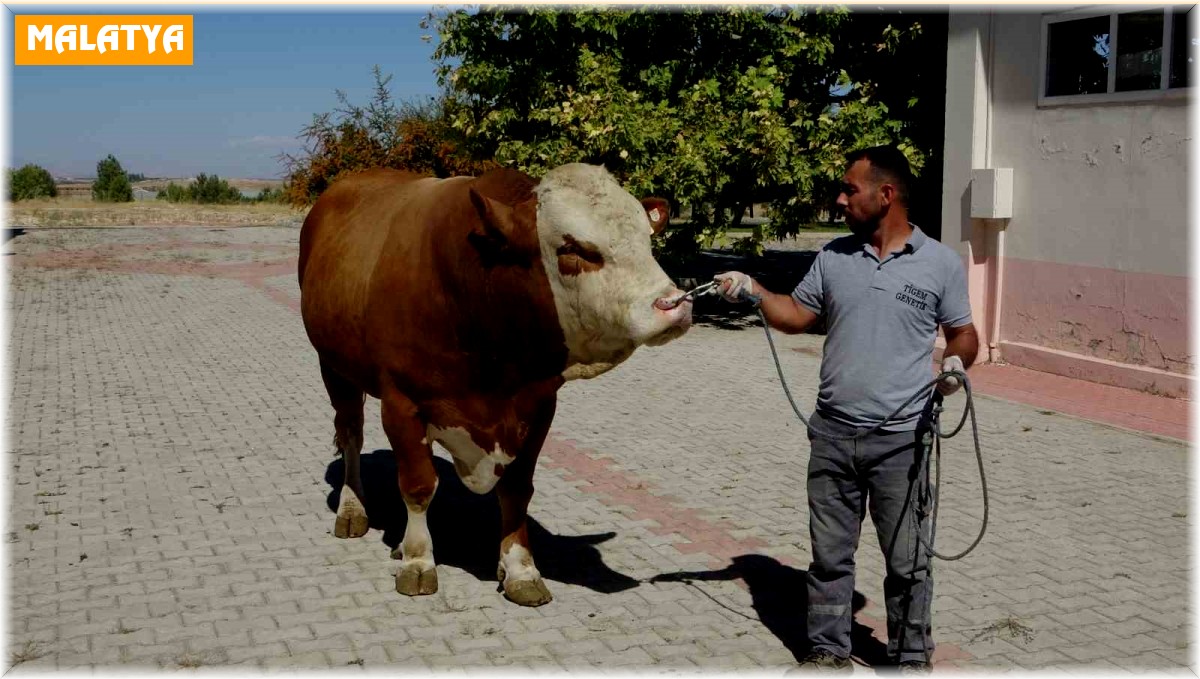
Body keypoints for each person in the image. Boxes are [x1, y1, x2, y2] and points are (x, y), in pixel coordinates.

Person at [714, 145, 979, 674]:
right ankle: (827, 653)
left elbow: (964, 334)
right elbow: (796, 315)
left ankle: (908, 659)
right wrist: (752, 291)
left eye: (848, 189)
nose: (839, 199)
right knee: (830, 558)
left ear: (886, 195)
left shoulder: (940, 264)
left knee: (907, 561)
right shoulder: (833, 257)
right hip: (832, 434)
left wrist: (955, 363)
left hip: (901, 441)